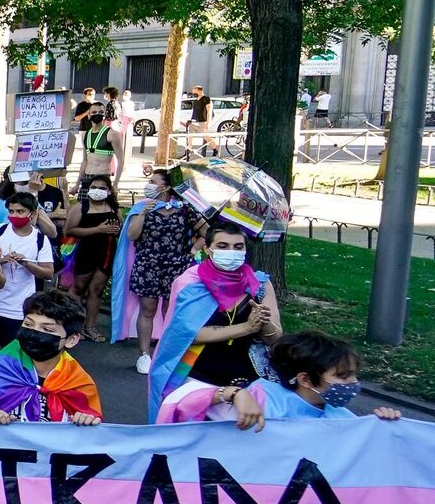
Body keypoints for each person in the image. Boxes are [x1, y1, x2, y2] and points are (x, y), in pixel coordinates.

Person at [150, 223, 282, 423]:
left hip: (251, 379)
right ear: (207, 249)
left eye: (238, 247)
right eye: (223, 246)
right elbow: (188, 335)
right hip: (197, 376)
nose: (231, 252)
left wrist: (264, 322)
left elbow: (275, 338)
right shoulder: (190, 284)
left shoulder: (260, 284)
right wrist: (245, 328)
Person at [0, 289, 103, 425]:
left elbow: (92, 436)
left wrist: (86, 421)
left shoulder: (79, 383)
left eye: (47, 329)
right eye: (28, 324)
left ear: (71, 340)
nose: (33, 332)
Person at [113, 170, 206, 373]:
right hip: (148, 265)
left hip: (177, 266)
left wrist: (194, 249)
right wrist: (144, 212)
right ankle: (145, 354)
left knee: (171, 310)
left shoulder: (185, 209)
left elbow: (207, 232)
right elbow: (132, 234)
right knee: (148, 309)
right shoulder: (142, 207)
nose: (149, 184)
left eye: (153, 182)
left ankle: (167, 352)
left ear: (165, 187)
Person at [214, 331, 402, 429]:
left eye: (353, 374)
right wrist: (234, 394)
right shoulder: (261, 399)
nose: (353, 383)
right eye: (342, 376)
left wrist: (381, 428)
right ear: (304, 379)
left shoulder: (339, 414)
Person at [0, 192, 56, 353]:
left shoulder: (40, 240)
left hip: (17, 310)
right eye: (11, 211)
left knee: (13, 354)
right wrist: (0, 261)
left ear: (32, 214)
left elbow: (48, 273)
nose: (14, 215)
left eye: (20, 212)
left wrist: (26, 263)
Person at [65, 175, 122, 341]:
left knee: (96, 290)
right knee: (78, 288)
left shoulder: (114, 208)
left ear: (109, 190)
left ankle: (90, 327)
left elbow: (121, 230)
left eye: (102, 188)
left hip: (107, 253)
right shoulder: (80, 207)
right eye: (94, 187)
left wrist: (115, 230)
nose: (98, 191)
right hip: (86, 251)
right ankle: (73, 326)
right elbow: (70, 230)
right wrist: (97, 229)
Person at [80, 104, 116, 177]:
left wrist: (116, 183)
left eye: (101, 112)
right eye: (94, 112)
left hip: (102, 177)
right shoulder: (85, 135)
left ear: (104, 115)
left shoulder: (111, 134)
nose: (97, 114)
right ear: (89, 115)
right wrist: (78, 182)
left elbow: (121, 160)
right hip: (87, 176)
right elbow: (84, 160)